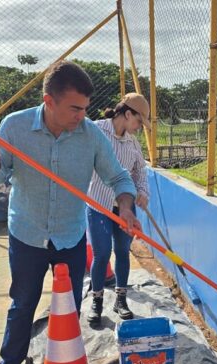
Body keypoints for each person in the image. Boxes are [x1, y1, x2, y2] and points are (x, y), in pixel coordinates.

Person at [0, 60, 141, 364]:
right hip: (28, 233)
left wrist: (124, 206)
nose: (82, 115)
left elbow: (119, 177)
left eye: (85, 108)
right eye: (74, 108)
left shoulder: (90, 134)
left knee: (69, 306)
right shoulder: (15, 127)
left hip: (70, 234)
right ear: (49, 101)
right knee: (23, 302)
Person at [86, 93, 151, 325]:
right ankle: (97, 300)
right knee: (102, 253)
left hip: (125, 206)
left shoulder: (133, 143)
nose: (139, 128)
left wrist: (143, 192)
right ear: (127, 114)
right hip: (98, 204)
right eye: (138, 122)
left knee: (123, 251)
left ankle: (120, 298)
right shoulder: (95, 130)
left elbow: (140, 172)